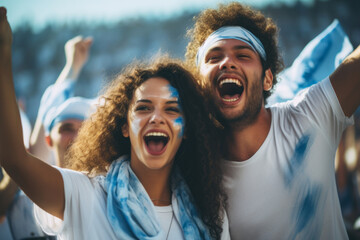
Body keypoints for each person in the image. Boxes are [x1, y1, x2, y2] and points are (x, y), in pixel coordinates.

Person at [0, 7, 229, 240]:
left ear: (187, 130)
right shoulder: (85, 195)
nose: (157, 117)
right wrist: (3, 51)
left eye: (171, 109)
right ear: (124, 127)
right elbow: (14, 160)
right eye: (143, 108)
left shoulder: (208, 214)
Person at [185, 2, 360, 239]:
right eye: (214, 57)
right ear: (199, 85)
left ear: (267, 79)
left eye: (243, 54)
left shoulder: (309, 115)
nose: (226, 62)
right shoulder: (196, 172)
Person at [29, 35, 94, 166]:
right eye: (66, 129)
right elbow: (34, 157)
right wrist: (72, 66)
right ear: (48, 140)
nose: (76, 138)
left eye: (84, 130)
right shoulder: (36, 185)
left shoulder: (106, 184)